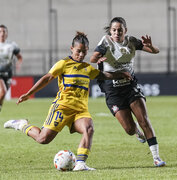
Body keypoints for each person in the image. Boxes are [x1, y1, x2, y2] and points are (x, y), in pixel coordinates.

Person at [4, 31, 131, 171]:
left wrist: (121, 74)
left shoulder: (87, 68)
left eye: (84, 52)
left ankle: (81, 163)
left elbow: (104, 75)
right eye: (78, 51)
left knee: (89, 128)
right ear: (72, 49)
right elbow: (47, 78)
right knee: (42, 139)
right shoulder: (63, 64)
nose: (81, 55)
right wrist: (29, 93)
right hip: (62, 108)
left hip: (80, 111)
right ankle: (21, 125)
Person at [90, 17, 166, 167]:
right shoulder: (106, 41)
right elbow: (93, 58)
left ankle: (156, 157)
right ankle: (137, 132)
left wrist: (151, 46)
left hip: (130, 86)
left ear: (125, 30)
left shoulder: (131, 41)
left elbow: (155, 51)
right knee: (129, 129)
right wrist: (99, 59)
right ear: (110, 31)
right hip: (112, 91)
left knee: (144, 119)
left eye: (120, 30)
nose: (117, 32)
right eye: (114, 30)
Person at [0, 24, 22, 112]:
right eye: (0, 32)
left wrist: (18, 63)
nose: (2, 33)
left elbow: (19, 57)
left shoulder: (12, 45)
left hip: (8, 73)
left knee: (2, 95)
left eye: (4, 31)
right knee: (3, 91)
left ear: (7, 34)